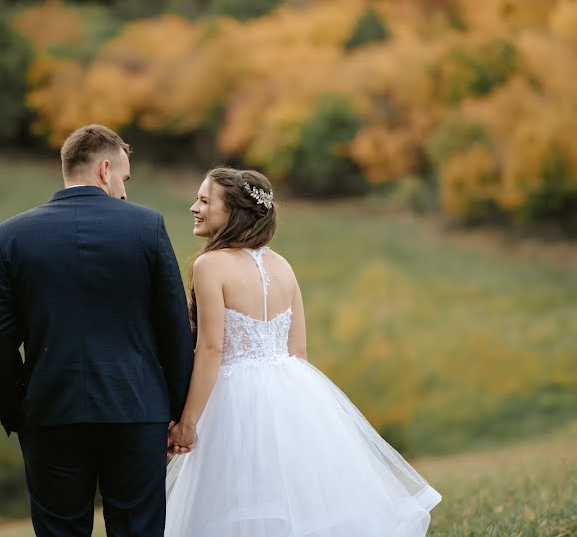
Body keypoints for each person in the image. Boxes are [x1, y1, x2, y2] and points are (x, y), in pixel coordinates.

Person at [165, 167, 441, 536]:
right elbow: (298, 350)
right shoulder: (284, 266)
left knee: (233, 497)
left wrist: (188, 423)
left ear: (232, 211)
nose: (193, 208)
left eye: (204, 200)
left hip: (233, 398)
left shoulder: (209, 265)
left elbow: (212, 349)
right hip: (292, 393)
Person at [0, 124, 194, 536]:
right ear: (104, 170)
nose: (125, 191)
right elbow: (174, 328)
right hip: (137, 410)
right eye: (124, 178)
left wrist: (17, 411)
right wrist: (174, 412)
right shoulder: (146, 227)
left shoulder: (11, 236)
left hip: (49, 412)